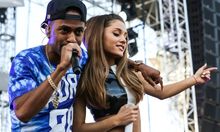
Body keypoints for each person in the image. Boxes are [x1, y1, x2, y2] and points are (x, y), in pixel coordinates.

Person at [8, 0, 162, 131]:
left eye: (78, 32)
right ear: (48, 30)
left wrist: (139, 66)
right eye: (64, 30)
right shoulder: (27, 59)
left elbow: (103, 58)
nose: (72, 38)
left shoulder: (81, 58)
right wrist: (61, 69)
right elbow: (23, 113)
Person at [72, 14, 217, 132]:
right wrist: (116, 120)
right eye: (116, 34)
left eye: (126, 36)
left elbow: (162, 92)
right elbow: (78, 128)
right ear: (97, 36)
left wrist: (194, 79)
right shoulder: (83, 75)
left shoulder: (129, 72)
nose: (123, 40)